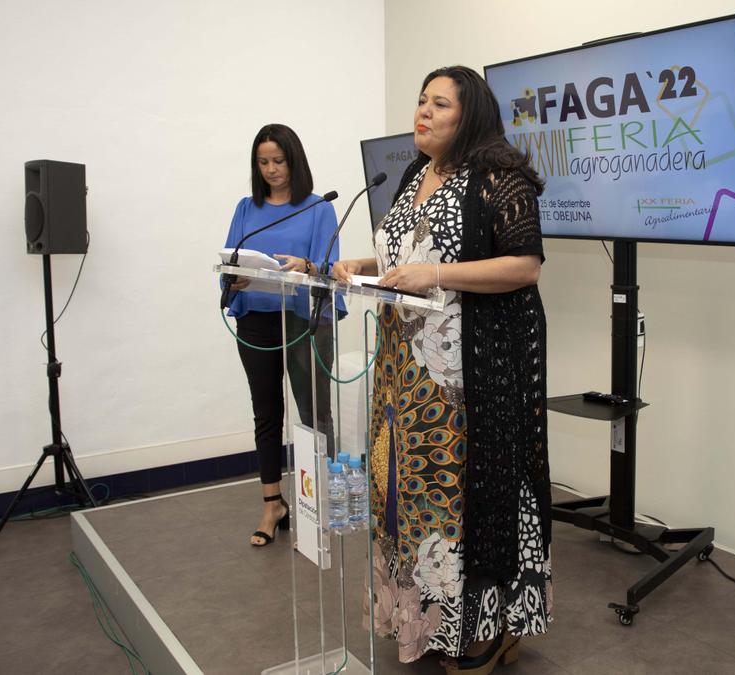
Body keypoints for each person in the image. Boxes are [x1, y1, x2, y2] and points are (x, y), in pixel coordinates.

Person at [332, 66, 551, 673]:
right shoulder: (412, 174)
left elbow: (523, 267)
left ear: (469, 116)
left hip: (469, 375)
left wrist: (435, 275)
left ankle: (483, 632)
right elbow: (406, 255)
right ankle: (428, 623)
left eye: (439, 104)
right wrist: (359, 264)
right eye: (420, 101)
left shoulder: (499, 180)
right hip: (405, 373)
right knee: (415, 499)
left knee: (466, 504)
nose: (422, 113)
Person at [224, 123, 339, 547]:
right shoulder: (245, 208)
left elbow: (331, 270)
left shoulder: (318, 207)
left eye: (279, 161)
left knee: (314, 415)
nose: (271, 170)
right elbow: (231, 259)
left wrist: (307, 266)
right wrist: (233, 280)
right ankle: (273, 503)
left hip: (303, 320)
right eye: (263, 162)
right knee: (266, 413)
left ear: (295, 161)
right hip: (256, 318)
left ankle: (320, 503)